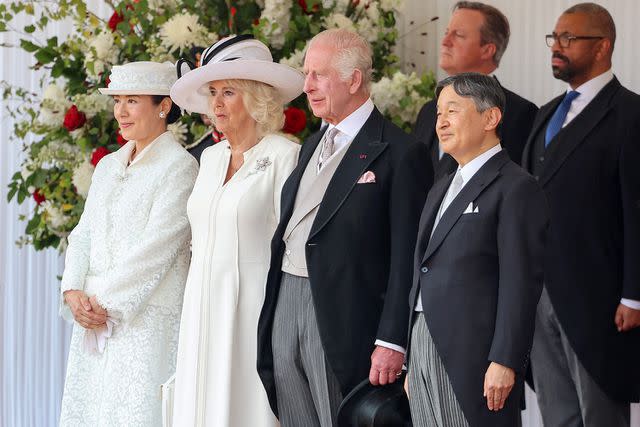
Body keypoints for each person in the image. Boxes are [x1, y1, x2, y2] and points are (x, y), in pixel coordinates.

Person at [256, 28, 433, 426]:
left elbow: (409, 256)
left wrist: (392, 340)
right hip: (287, 300)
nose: (307, 86)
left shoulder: (402, 154)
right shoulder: (309, 146)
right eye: (306, 74)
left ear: (354, 80)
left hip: (345, 318)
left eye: (318, 75)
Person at [168, 35, 304, 427]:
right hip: (201, 301)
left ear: (257, 98)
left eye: (229, 92)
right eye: (213, 92)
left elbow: (292, 246)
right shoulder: (209, 158)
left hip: (253, 305)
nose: (217, 103)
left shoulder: (285, 155)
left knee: (246, 405)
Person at [59, 61, 198, 426]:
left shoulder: (180, 167)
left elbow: (158, 248)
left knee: (135, 413)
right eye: (117, 100)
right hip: (94, 317)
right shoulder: (107, 165)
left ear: (164, 106)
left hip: (144, 321)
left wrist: (102, 304)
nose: (120, 111)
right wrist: (73, 292)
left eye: (132, 100)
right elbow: (84, 232)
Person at [407, 72, 548, 427]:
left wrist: (505, 360)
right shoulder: (440, 186)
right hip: (424, 339)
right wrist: (411, 353)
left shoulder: (516, 186)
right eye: (438, 113)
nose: (441, 122)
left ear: (490, 117)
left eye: (452, 110)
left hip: (474, 352)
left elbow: (521, 282)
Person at [523, 3, 640, 426]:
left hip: (600, 296)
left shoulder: (631, 115)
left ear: (602, 46)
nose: (557, 47)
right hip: (540, 292)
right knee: (558, 413)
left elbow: (637, 209)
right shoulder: (545, 113)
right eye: (554, 37)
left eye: (569, 38)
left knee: (599, 412)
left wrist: (634, 295)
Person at [413, 1, 537, 181]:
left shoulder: (519, 113)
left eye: (459, 35)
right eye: (447, 33)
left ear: (487, 50)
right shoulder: (427, 111)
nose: (445, 42)